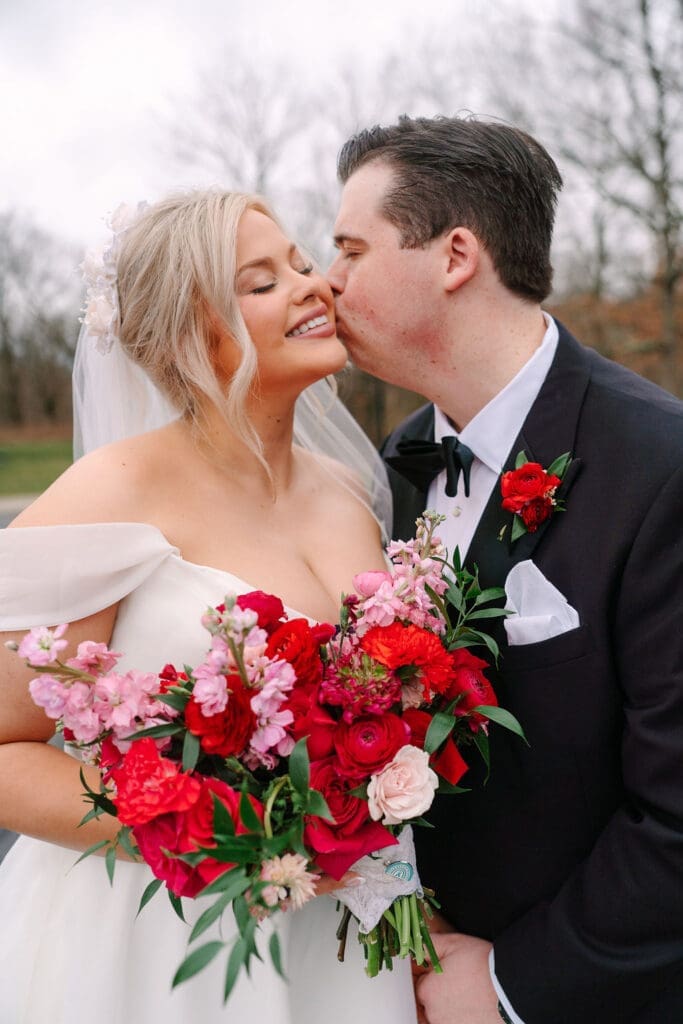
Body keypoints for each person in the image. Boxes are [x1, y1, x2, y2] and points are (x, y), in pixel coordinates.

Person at [0, 190, 418, 1024]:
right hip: (162, 937)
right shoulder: (113, 492)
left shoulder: (349, 489)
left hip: (339, 929)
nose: (311, 286)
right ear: (185, 337)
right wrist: (222, 835)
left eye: (302, 263)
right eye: (261, 283)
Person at [326, 115, 683, 1024]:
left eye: (351, 250)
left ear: (454, 256)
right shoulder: (389, 467)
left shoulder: (660, 467)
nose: (327, 282)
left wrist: (513, 984)